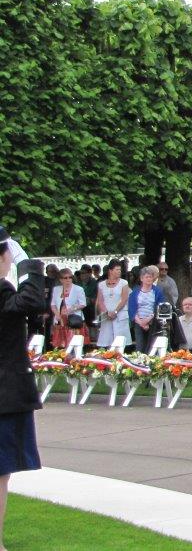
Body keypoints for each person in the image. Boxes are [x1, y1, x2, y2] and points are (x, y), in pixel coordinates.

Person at [0, 228, 46, 550]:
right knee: (1, 472)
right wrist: (28, 265)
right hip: (5, 393)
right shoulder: (2, 289)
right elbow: (31, 300)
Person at [128, 266, 165, 354]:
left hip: (153, 322)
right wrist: (141, 322)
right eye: (146, 277)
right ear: (141, 278)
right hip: (139, 322)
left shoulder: (157, 291)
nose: (149, 279)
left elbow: (160, 307)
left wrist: (148, 320)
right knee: (140, 347)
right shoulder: (135, 292)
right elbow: (131, 309)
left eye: (150, 277)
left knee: (152, 347)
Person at [49, 268, 90, 348]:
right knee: (60, 345)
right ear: (61, 280)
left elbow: (83, 304)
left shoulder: (78, 289)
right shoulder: (56, 289)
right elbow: (53, 304)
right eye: (65, 278)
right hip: (60, 320)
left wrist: (71, 309)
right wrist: (57, 314)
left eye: (70, 277)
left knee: (74, 344)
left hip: (73, 319)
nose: (68, 279)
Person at [95, 261, 131, 348]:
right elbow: (100, 301)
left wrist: (115, 312)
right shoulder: (101, 284)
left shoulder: (124, 283)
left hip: (120, 314)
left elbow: (124, 299)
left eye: (120, 270)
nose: (119, 271)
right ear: (110, 271)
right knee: (107, 341)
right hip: (107, 316)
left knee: (120, 341)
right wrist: (107, 313)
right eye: (117, 269)